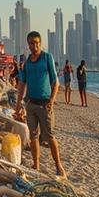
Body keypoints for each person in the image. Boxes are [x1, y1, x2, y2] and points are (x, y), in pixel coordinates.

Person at [15, 31, 66, 177]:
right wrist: (18, 104)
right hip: (31, 104)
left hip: (45, 104)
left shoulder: (47, 57)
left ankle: (59, 166)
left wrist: (52, 100)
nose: (34, 46)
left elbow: (55, 82)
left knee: (50, 136)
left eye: (37, 43)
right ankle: (36, 165)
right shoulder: (27, 63)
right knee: (33, 136)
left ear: (40, 43)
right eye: (31, 43)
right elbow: (22, 84)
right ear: (28, 45)